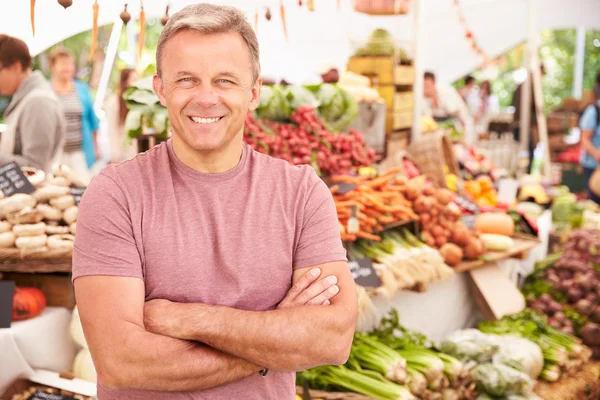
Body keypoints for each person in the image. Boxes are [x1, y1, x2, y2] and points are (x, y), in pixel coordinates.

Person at [72, 4, 356, 400]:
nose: (206, 98)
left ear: (253, 92)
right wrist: (277, 339)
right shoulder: (115, 195)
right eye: (187, 79)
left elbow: (334, 338)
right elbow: (122, 360)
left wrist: (190, 319)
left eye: (225, 81)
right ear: (160, 88)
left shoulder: (302, 193)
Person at [0, 34, 65, 173]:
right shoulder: (27, 97)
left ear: (16, 67)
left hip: (36, 193)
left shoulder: (38, 102)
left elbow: (35, 166)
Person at [50, 48, 100, 182]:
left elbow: (93, 121)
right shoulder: (46, 91)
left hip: (80, 152)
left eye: (70, 64)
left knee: (82, 186)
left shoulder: (82, 89)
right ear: (53, 67)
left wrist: (96, 148)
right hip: (56, 154)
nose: (67, 68)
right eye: (63, 64)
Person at [512, 64, 545, 172]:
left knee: (522, 153)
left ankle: (521, 172)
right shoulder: (530, 89)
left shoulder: (521, 86)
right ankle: (523, 173)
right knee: (526, 153)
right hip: (526, 127)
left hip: (520, 125)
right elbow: (534, 112)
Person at [103, 68, 139, 163]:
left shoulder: (138, 102)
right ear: (125, 82)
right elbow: (112, 130)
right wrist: (115, 155)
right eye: (133, 80)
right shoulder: (114, 103)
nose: (137, 83)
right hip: (122, 154)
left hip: (136, 152)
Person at [422, 71, 472, 138]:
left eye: (427, 85)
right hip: (441, 133)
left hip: (459, 127)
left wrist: (464, 133)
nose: (425, 89)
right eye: (423, 86)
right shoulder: (424, 100)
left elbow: (461, 113)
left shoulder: (447, 92)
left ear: (434, 83)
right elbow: (428, 120)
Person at [579, 86, 600, 204]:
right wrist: (597, 155)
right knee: (595, 203)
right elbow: (584, 139)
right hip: (593, 166)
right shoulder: (594, 111)